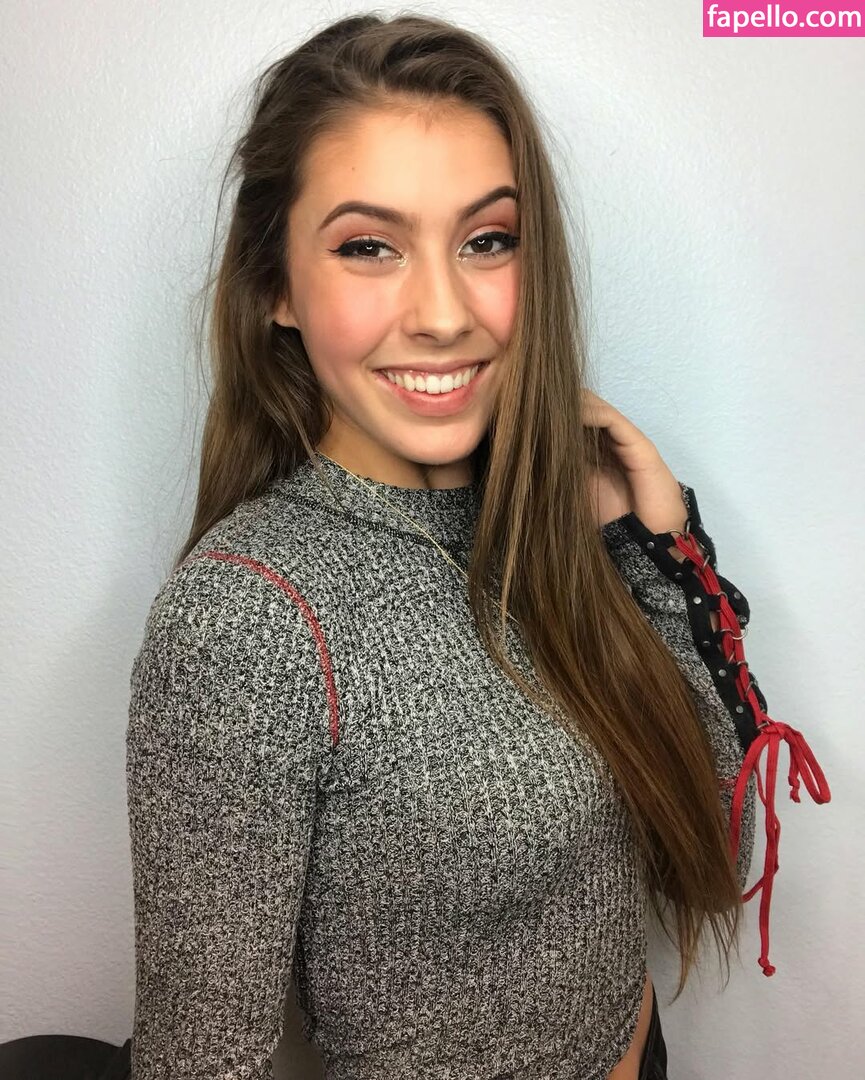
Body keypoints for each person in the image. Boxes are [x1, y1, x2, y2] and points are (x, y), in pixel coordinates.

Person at [124, 12, 831, 1080]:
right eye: (368, 247)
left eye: (486, 240)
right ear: (275, 287)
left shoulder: (561, 530)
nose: (444, 314)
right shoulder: (247, 619)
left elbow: (716, 846)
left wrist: (660, 551)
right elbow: (199, 1061)